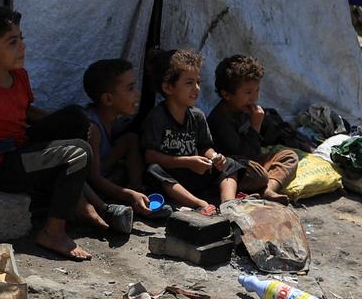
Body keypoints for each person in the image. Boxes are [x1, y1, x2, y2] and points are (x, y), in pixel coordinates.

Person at [0, 6, 108, 260]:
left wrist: (66, 124)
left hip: (20, 148)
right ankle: (53, 232)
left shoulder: (19, 76)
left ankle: (81, 199)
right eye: (12, 42)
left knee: (77, 116)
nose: (22, 47)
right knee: (77, 153)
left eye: (21, 39)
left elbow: (25, 112)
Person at [140, 49, 243, 214]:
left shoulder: (197, 115)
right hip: (173, 178)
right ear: (168, 87)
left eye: (198, 82)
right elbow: (150, 156)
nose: (196, 89)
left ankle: (228, 204)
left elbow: (205, 147)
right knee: (153, 171)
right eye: (189, 83)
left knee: (230, 164)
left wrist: (214, 158)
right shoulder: (157, 117)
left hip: (196, 174)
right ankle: (198, 203)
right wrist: (187, 161)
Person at [208, 54, 298, 204]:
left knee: (289, 156)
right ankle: (256, 189)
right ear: (226, 94)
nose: (254, 98)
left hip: (250, 163)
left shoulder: (244, 110)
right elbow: (243, 154)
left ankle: (268, 190)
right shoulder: (221, 119)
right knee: (260, 175)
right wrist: (255, 125)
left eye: (257, 91)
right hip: (231, 170)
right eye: (248, 93)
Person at [82, 58, 151, 216]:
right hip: (90, 182)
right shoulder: (93, 129)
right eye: (130, 88)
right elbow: (94, 177)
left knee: (131, 139)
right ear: (107, 99)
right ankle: (132, 197)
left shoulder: (112, 120)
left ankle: (137, 189)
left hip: (105, 168)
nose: (137, 94)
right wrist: (127, 195)